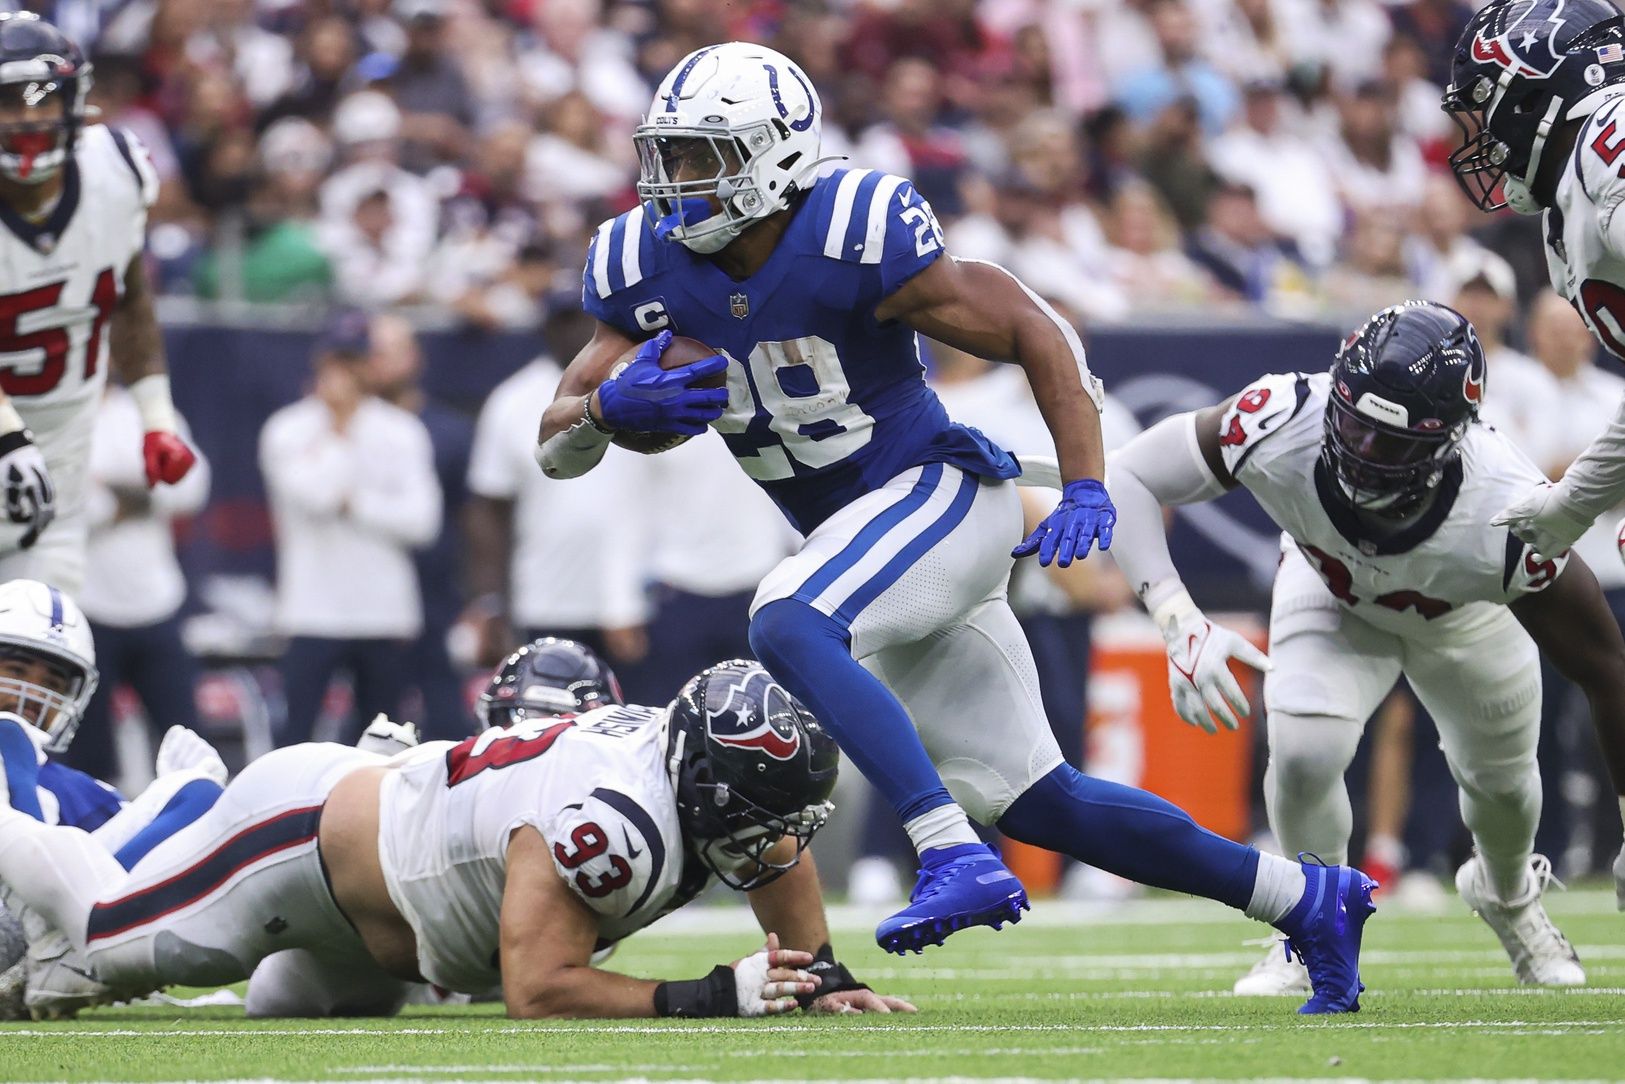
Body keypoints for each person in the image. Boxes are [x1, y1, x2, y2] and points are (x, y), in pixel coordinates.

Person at [536, 43, 1374, 1014]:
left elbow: (1034, 326)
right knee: (1039, 797)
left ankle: (945, 850)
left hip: (942, 497)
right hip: (879, 556)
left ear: (773, 154)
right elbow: (553, 439)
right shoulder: (641, 265)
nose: (673, 181)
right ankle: (1306, 898)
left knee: (785, 617)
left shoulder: (849, 229)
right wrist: (600, 416)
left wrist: (1087, 485)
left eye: (700, 156)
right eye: (668, 155)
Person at [1109, 301, 1625, 995]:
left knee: (1501, 788)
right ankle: (1308, 925)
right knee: (1301, 748)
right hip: (1331, 591)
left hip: (1465, 617)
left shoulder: (1503, 512)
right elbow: (1131, 475)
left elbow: (1605, 664)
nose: (1364, 452)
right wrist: (1174, 616)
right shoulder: (1280, 416)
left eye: (1396, 443)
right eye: (1353, 424)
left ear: (1449, 440)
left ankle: (1507, 898)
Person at [0, 661, 916, 1020]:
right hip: (294, 845)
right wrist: (718, 994)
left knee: (57, 995)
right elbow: (538, 991)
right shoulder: (612, 824)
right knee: (104, 942)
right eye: (752, 822)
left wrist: (825, 976)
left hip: (385, 926)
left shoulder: (692, 766)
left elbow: (779, 854)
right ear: (704, 790)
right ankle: (175, 799)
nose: (774, 850)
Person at [0, 13, 197, 595]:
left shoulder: (115, 169)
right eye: (11, 101)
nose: (31, 118)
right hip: (13, 440)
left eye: (44, 99)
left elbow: (129, 294)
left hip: (59, 471)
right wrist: (10, 438)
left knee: (42, 666)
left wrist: (156, 418)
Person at [0, 578, 228, 1020]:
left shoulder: (83, 793)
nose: (33, 693)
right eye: (17, 670)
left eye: (53, 682)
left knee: (197, 796)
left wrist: (187, 816)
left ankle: (57, 961)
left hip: (30, 938)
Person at [259, 313, 442, 747]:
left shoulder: (401, 431)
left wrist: (355, 503)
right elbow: (316, 496)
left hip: (384, 611)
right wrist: (340, 431)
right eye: (337, 361)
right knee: (296, 740)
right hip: (310, 611)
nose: (345, 373)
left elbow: (422, 521)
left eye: (356, 360)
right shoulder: (287, 429)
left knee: (386, 742)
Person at [69, 386, 211, 784]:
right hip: (86, 610)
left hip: (156, 603)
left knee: (189, 746)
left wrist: (111, 491)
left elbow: (190, 486)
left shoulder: (148, 413)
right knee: (88, 760)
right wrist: (141, 489)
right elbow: (65, 506)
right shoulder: (58, 415)